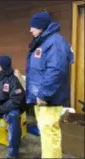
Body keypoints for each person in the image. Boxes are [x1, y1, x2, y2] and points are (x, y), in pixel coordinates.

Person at [26, 11, 74, 158]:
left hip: (48, 97)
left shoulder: (55, 42)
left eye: (32, 27)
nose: (30, 30)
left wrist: (43, 94)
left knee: (49, 131)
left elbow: (56, 70)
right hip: (41, 96)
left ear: (41, 27)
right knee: (45, 130)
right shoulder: (45, 41)